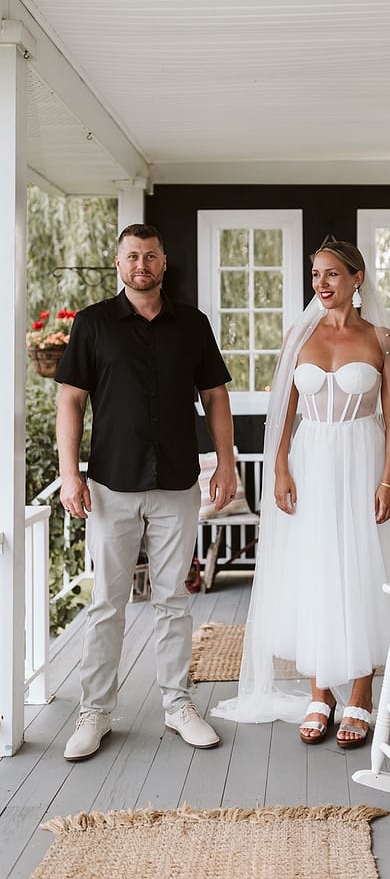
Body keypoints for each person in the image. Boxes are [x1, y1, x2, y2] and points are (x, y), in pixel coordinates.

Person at [212, 238, 390, 748]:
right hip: (310, 463)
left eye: (332, 274)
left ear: (357, 279)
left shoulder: (382, 339)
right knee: (316, 569)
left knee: (363, 570)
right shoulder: (299, 337)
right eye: (315, 276)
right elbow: (283, 413)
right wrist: (280, 466)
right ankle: (319, 691)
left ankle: (360, 691)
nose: (322, 285)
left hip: (363, 460)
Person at [56, 223, 236, 761]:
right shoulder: (91, 325)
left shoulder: (192, 325)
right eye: (132, 256)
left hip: (178, 482)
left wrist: (226, 463)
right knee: (108, 604)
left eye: (151, 256)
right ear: (119, 264)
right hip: (110, 484)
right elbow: (70, 402)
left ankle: (178, 705)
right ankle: (96, 712)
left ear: (164, 262)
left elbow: (216, 397)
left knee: (174, 601)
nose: (142, 265)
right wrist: (70, 473)